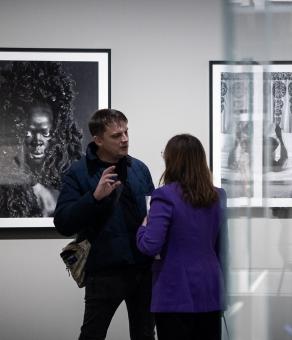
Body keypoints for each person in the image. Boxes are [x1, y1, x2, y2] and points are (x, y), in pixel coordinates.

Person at [53, 109, 155, 340]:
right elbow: (63, 223)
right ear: (98, 140)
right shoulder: (78, 173)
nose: (125, 139)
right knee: (92, 334)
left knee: (145, 334)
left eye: (126, 132)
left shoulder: (139, 168)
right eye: (117, 135)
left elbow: (153, 212)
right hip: (104, 271)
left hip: (143, 269)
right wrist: (94, 197)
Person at [136, 134, 227, 340]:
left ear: (172, 160)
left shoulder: (164, 195)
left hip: (173, 292)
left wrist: (141, 229)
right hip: (210, 290)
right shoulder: (218, 195)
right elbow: (222, 248)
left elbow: (150, 245)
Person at [0, 61, 82, 217]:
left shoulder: (71, 178)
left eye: (45, 132)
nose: (38, 140)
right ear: (16, 130)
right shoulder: (7, 185)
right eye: (29, 132)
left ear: (57, 132)